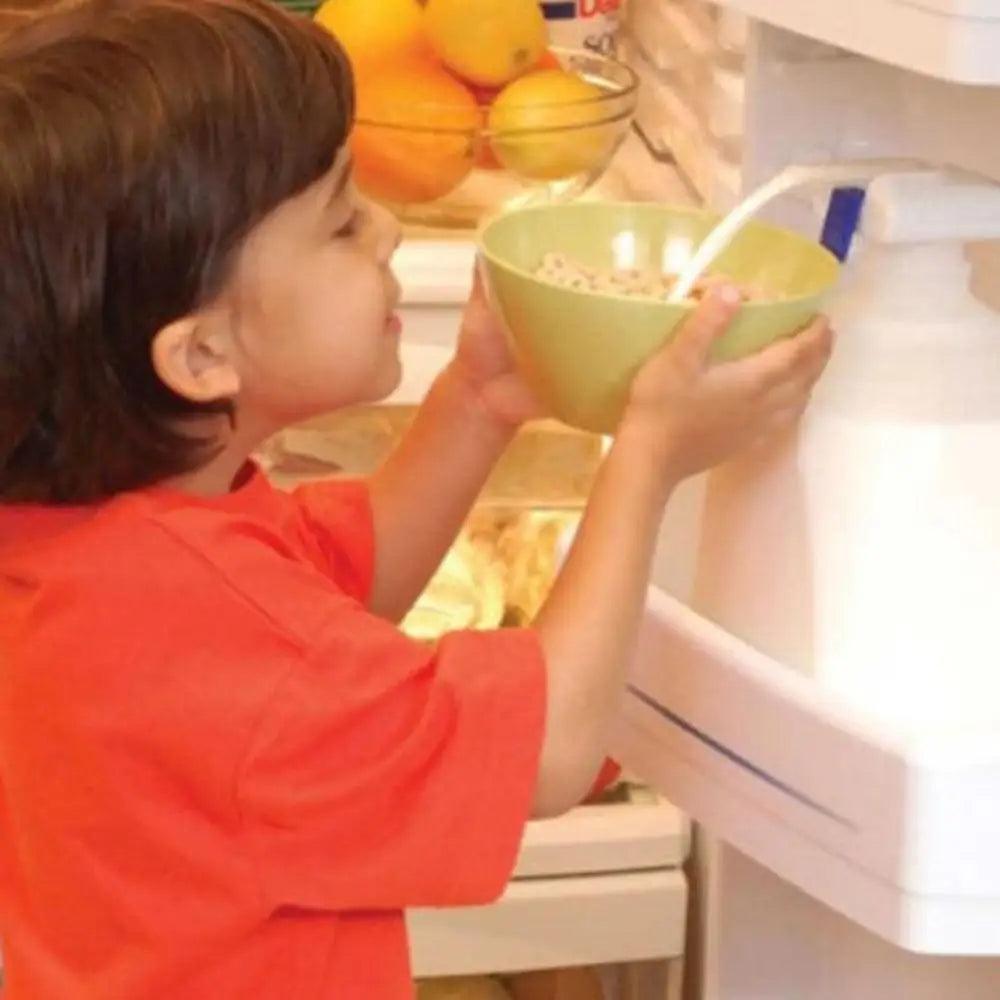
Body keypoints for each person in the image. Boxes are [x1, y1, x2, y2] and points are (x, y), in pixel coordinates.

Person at [0, 1, 833, 997]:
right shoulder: (213, 643)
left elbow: (339, 582)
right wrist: (648, 456)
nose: (388, 228)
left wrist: (478, 400)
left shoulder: (92, 539)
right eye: (341, 222)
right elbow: (550, 753)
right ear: (203, 355)